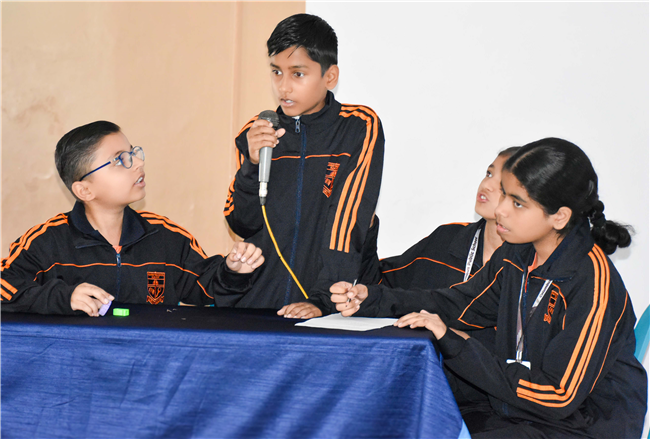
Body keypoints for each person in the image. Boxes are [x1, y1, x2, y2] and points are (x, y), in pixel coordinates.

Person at [330, 138, 647, 438]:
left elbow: (557, 396)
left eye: (518, 203)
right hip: (512, 411)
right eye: (505, 195)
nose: (500, 210)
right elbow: (461, 304)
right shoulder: (517, 253)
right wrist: (373, 298)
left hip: (580, 427)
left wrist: (455, 342)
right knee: (399, 421)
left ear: (560, 217)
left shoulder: (593, 283)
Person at [0, 121, 264, 316]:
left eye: (134, 153)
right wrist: (63, 297)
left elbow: (205, 289)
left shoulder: (166, 236)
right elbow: (5, 285)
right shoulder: (47, 241)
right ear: (84, 190)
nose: (138, 163)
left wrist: (232, 272)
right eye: (119, 160)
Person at [223, 14, 384, 318]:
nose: (283, 87)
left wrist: (322, 300)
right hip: (258, 306)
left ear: (330, 77)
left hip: (326, 307)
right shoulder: (255, 132)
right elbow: (242, 224)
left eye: (297, 74)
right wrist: (252, 166)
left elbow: (347, 221)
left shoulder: (358, 126)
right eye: (276, 72)